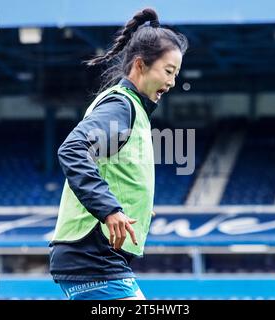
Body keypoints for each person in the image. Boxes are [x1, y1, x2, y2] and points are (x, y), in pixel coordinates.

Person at [49, 8, 188, 300]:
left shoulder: (133, 111)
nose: (173, 82)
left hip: (94, 256)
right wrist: (110, 209)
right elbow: (73, 150)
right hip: (91, 255)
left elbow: (115, 169)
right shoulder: (120, 107)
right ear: (140, 65)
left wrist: (132, 205)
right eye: (168, 71)